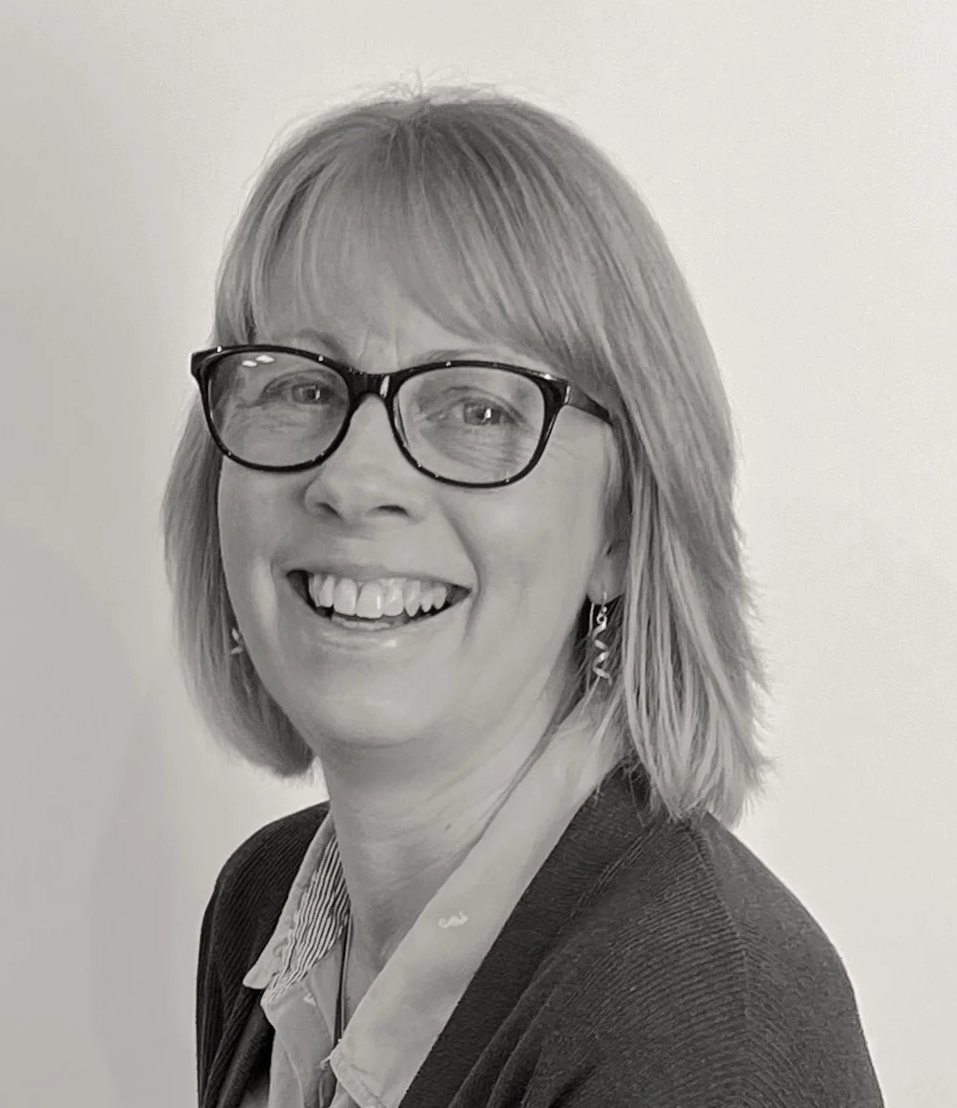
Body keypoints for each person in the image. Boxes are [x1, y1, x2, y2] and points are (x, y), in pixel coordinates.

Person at [161, 86, 885, 1108]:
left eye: (474, 405)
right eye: (302, 385)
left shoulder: (697, 1020)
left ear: (624, 529)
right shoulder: (264, 913)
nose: (353, 477)